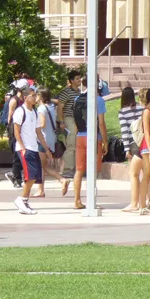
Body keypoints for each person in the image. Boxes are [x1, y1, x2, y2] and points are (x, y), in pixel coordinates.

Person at [72, 77, 108, 211]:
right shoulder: (98, 100)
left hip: (80, 135)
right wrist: (105, 141)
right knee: (92, 171)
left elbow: (76, 119)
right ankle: (91, 201)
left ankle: (77, 200)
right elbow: (102, 123)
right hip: (93, 137)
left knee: (79, 170)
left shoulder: (77, 99)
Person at [11, 85, 47, 215]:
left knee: (35, 176)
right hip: (25, 149)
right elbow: (16, 131)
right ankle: (22, 200)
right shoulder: (20, 111)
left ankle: (24, 201)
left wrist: (46, 148)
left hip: (34, 148)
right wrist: (23, 147)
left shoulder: (35, 112)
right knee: (30, 175)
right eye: (33, 95)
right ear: (26, 97)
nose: (35, 98)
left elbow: (38, 131)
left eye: (36, 95)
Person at [35, 88, 71, 197]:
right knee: (43, 166)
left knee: (41, 166)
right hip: (51, 138)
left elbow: (42, 124)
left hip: (43, 139)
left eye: (37, 95)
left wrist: (34, 128)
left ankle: (59, 181)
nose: (35, 97)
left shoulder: (41, 108)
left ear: (41, 97)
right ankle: (43, 188)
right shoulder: (50, 107)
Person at [118, 86, 147, 213]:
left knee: (133, 175)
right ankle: (145, 201)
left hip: (133, 144)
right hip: (144, 143)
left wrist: (126, 149)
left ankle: (134, 203)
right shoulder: (142, 108)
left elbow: (125, 131)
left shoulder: (123, 112)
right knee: (146, 174)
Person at [56, 70, 82, 177]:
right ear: (71, 80)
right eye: (77, 78)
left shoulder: (79, 92)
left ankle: (75, 168)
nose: (79, 80)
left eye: (80, 78)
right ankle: (68, 169)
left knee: (76, 144)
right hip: (68, 119)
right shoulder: (66, 92)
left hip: (77, 120)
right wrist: (62, 121)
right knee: (71, 144)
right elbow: (60, 107)